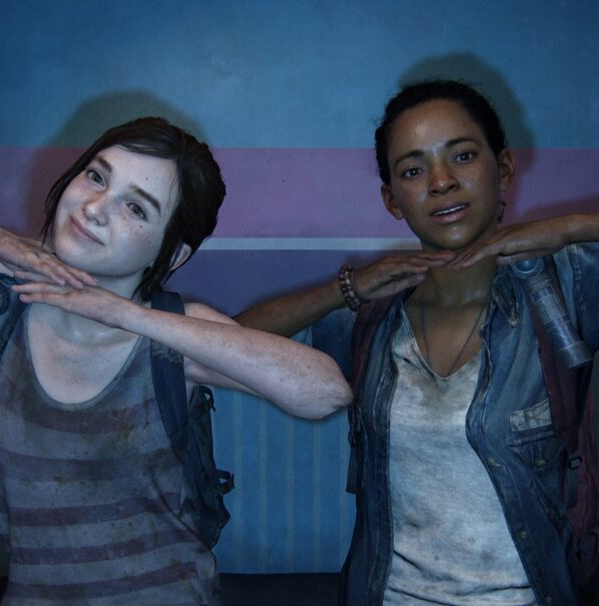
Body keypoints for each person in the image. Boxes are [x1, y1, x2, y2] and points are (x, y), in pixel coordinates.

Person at [236, 80, 599, 605]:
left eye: (463, 156)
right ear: (392, 200)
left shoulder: (564, 287)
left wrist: (567, 229)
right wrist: (348, 288)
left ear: (503, 168)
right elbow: (229, 344)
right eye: (412, 170)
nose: (442, 182)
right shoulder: (372, 319)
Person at [0, 117, 352, 606]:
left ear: (173, 254)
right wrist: (5, 243)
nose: (95, 208)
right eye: (96, 176)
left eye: (136, 208)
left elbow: (325, 391)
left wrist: (127, 314)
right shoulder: (8, 306)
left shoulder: (174, 334)